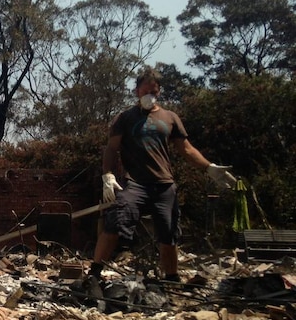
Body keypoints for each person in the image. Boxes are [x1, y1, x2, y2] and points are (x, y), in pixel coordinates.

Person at [89, 66, 236, 282]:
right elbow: (111, 148)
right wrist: (108, 176)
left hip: (164, 185)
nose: (150, 95)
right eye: (145, 90)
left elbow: (187, 149)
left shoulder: (170, 117)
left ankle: (171, 278)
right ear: (136, 91)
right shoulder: (125, 118)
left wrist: (209, 167)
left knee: (168, 233)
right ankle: (93, 273)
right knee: (116, 220)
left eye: (154, 91)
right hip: (135, 184)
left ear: (159, 92)